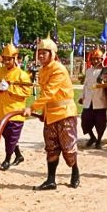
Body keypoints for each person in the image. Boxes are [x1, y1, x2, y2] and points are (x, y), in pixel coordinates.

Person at [22, 36, 80, 190]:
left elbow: (49, 93)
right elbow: (45, 96)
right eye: (39, 53)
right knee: (51, 148)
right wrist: (43, 112)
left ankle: (75, 172)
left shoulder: (58, 69)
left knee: (68, 148)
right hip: (50, 114)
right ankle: (51, 180)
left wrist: (32, 108)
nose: (41, 56)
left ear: (52, 54)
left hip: (64, 113)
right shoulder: (42, 70)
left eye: (44, 53)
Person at [0, 43, 32, 171]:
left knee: (12, 137)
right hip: (1, 110)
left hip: (15, 112)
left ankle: (7, 159)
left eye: (9, 58)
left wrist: (10, 88)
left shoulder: (22, 75)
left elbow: (27, 92)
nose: (7, 61)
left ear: (15, 58)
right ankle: (18, 155)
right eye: (5, 58)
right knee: (6, 135)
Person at [79, 48, 107, 149]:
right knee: (85, 121)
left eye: (97, 59)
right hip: (88, 101)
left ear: (101, 59)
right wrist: (81, 96)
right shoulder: (88, 71)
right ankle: (92, 137)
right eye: (93, 59)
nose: (95, 61)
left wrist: (105, 83)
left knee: (100, 123)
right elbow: (85, 85)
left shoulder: (105, 71)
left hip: (100, 101)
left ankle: (99, 140)